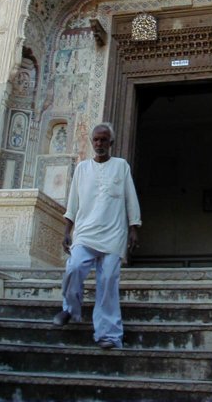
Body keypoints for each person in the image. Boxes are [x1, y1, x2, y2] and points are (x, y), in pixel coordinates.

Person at [52, 122, 141, 349]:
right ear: (92, 142)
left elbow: (130, 198)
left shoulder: (121, 166)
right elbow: (73, 203)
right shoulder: (82, 168)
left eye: (103, 140)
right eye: (96, 140)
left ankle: (109, 334)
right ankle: (70, 308)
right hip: (85, 232)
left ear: (111, 143)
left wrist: (134, 228)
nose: (99, 143)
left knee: (108, 281)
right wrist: (67, 231)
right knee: (74, 268)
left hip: (114, 233)